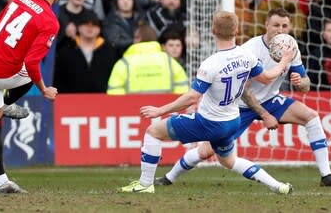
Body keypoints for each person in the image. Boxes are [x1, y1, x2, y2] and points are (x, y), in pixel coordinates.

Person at [154, 8, 331, 188]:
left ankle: (327, 175)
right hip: (239, 105)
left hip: (271, 99)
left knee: (311, 116)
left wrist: (301, 82)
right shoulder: (250, 50)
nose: (280, 30)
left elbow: (306, 85)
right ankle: (169, 177)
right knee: (206, 151)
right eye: (276, 25)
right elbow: (245, 91)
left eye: (284, 26)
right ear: (266, 25)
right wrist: (264, 115)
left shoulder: (290, 47)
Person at [119, 11, 295, 194]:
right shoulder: (247, 56)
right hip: (232, 121)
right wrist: (284, 61)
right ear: (236, 30)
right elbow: (267, 78)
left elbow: (192, 98)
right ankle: (278, 186)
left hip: (209, 122)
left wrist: (159, 110)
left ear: (213, 31)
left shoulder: (211, 64)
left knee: (153, 132)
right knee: (229, 161)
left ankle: (145, 184)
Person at [0, 0, 61, 193]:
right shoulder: (50, 21)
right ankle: (7, 103)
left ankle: (0, 180)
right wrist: (45, 90)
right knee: (32, 70)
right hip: (3, 74)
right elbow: (33, 64)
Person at [107, 24, 188, 95]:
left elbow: (114, 92)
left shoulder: (124, 63)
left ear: (138, 39)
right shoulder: (170, 62)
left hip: (132, 110)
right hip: (163, 110)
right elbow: (182, 90)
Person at [54, 11, 117, 93]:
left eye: (94, 24)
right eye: (85, 23)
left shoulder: (109, 51)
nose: (90, 27)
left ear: (99, 29)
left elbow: (114, 76)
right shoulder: (66, 51)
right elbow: (58, 79)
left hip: (103, 100)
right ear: (78, 27)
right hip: (70, 100)